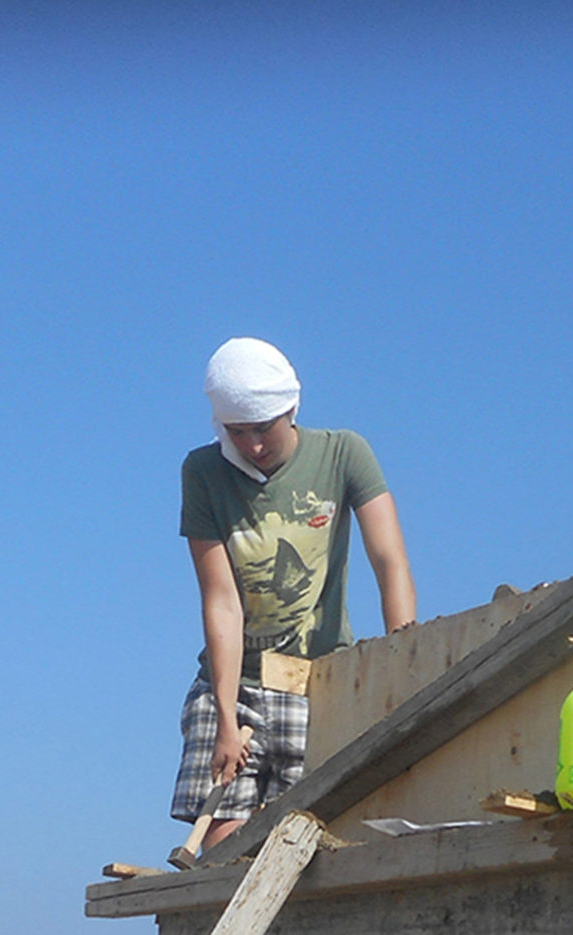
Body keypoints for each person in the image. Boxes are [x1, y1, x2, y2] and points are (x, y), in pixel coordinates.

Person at [174, 337, 417, 850]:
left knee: (307, 837)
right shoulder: (203, 473)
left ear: (290, 410)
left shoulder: (343, 453)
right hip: (233, 684)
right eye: (237, 432)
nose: (252, 446)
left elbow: (389, 560)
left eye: (263, 428)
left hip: (317, 682)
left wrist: (402, 665)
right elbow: (221, 600)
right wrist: (224, 719)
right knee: (222, 843)